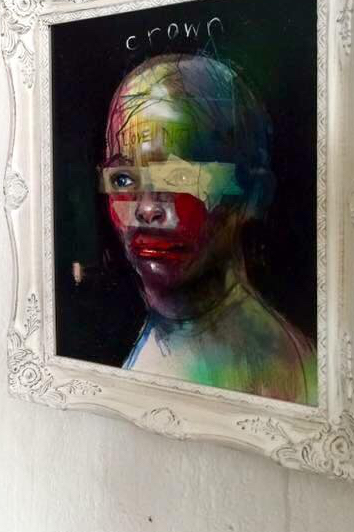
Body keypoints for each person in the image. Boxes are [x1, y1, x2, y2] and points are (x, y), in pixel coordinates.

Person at [99, 54, 316, 405]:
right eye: (124, 179)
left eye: (182, 176)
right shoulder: (168, 339)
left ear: (253, 195)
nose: (147, 209)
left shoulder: (268, 367)